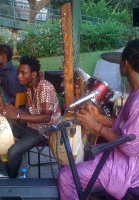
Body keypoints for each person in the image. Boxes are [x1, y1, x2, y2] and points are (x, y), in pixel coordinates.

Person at [58, 39, 139, 200]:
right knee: (84, 156)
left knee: (66, 176)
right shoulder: (135, 94)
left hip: (129, 168)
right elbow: (125, 127)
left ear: (125, 64)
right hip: (121, 158)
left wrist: (96, 126)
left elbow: (130, 147)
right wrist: (99, 117)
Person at [0, 55, 61, 179]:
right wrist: (14, 111)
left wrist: (17, 114)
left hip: (45, 130)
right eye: (18, 72)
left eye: (23, 73)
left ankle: (12, 180)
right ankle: (2, 172)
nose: (19, 76)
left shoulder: (45, 88)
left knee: (13, 151)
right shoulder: (30, 87)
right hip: (33, 126)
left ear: (33, 74)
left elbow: (46, 118)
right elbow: (33, 114)